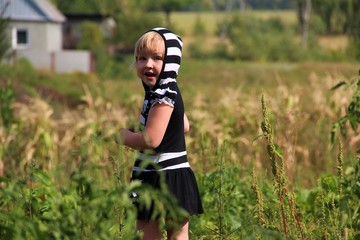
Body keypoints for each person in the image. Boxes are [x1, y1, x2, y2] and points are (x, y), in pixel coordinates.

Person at [116, 27, 203, 240]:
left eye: (157, 58)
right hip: (175, 173)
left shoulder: (162, 95)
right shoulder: (168, 90)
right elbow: (184, 125)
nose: (148, 64)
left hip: (160, 173)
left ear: (170, 63)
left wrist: (125, 137)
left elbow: (152, 140)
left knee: (148, 230)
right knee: (177, 231)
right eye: (142, 58)